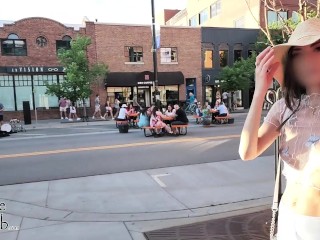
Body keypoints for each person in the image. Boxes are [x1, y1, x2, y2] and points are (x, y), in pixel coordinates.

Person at [239, 18, 320, 240]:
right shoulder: (285, 106)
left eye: (317, 49)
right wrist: (259, 91)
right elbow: (247, 152)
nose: (309, 59)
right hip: (287, 218)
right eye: (298, 53)